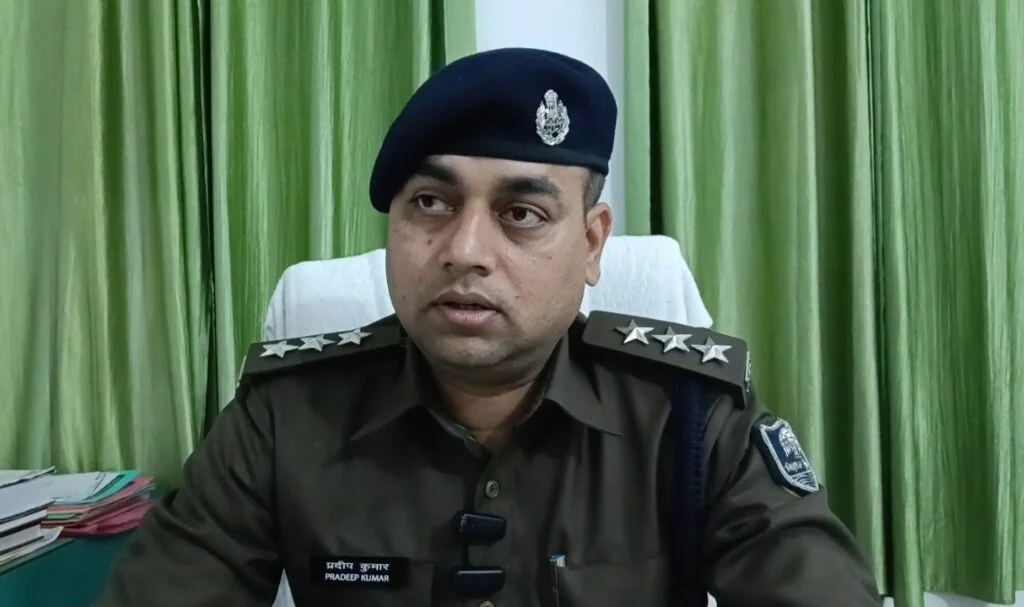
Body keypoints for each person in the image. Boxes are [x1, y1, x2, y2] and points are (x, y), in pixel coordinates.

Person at [98, 48, 883, 606]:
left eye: (522, 213)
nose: (465, 250)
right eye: (430, 204)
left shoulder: (693, 419)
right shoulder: (283, 416)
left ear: (591, 244)